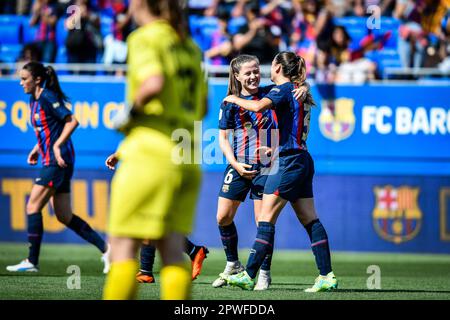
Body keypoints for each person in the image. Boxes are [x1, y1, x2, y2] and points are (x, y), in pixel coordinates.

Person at [102, 0, 207, 300]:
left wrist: (128, 113)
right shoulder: (188, 46)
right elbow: (203, 106)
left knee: (123, 247)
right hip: (185, 157)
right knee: (172, 250)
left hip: (150, 157)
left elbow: (153, 82)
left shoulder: (146, 37)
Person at [222, 51, 338, 292]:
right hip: (302, 158)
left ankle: (250, 274)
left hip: (288, 162)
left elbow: (256, 106)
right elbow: (291, 126)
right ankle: (326, 275)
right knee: (310, 219)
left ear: (277, 67)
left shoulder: (285, 89)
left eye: (270, 63)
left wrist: (232, 99)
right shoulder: (298, 90)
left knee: (265, 219)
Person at [212, 54, 309, 291]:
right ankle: (233, 263)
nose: (254, 76)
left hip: (267, 166)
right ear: (237, 76)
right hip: (238, 165)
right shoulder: (229, 103)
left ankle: (264, 273)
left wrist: (304, 87)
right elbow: (223, 139)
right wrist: (235, 164)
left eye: (256, 71)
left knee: (262, 221)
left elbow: (292, 86)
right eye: (248, 72)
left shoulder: (269, 93)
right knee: (222, 217)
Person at [6, 61, 110, 274]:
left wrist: (56, 145)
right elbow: (50, 128)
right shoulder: (32, 100)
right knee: (64, 216)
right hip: (52, 160)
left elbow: (72, 121)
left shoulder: (47, 97)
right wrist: (37, 148)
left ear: (37, 79)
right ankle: (108, 251)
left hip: (58, 161)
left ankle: (31, 261)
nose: (20, 83)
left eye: (24, 79)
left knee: (32, 206)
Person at [104, 153, 209, 283]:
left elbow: (145, 135)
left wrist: (119, 154)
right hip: (161, 166)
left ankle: (147, 271)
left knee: (147, 219)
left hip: (159, 166)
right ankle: (192, 251)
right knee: (152, 221)